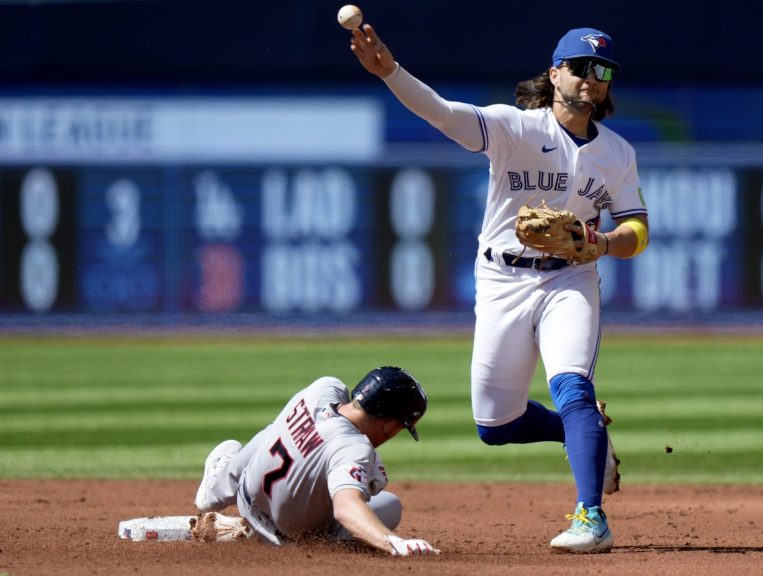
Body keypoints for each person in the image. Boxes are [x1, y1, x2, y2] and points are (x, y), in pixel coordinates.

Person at [349, 24, 649, 553]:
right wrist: (390, 72)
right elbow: (441, 112)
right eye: (580, 67)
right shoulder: (514, 128)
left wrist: (601, 243)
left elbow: (637, 231)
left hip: (570, 278)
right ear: (555, 73)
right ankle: (586, 437)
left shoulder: (618, 154)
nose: (591, 79)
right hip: (501, 280)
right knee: (494, 424)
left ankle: (591, 517)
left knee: (572, 384)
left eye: (602, 71)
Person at [194, 366, 440, 556]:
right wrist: (394, 543)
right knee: (389, 504)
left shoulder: (323, 388)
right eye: (400, 427)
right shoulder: (354, 448)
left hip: (246, 499)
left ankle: (216, 489)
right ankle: (316, 545)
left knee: (275, 431)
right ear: (389, 423)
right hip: (284, 537)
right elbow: (345, 508)